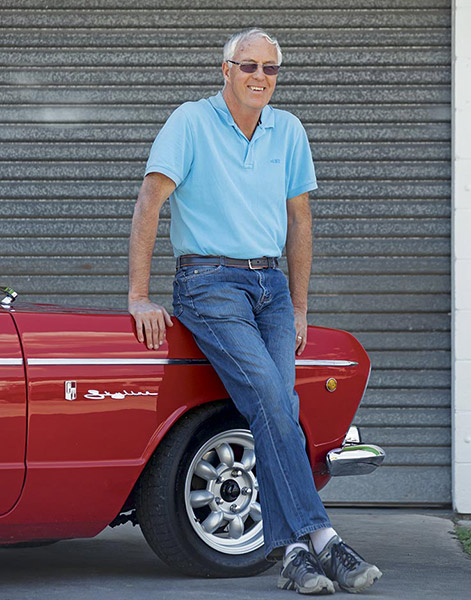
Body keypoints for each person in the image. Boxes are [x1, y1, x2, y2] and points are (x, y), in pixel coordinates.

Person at [128, 28, 382, 595]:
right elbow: (149, 200)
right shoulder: (190, 122)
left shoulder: (288, 130)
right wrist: (139, 295)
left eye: (270, 68)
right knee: (271, 398)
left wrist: (299, 305)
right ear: (226, 70)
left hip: (271, 287)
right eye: (248, 66)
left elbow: (300, 220)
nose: (259, 77)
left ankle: (292, 552)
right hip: (208, 283)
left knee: (279, 407)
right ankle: (322, 537)